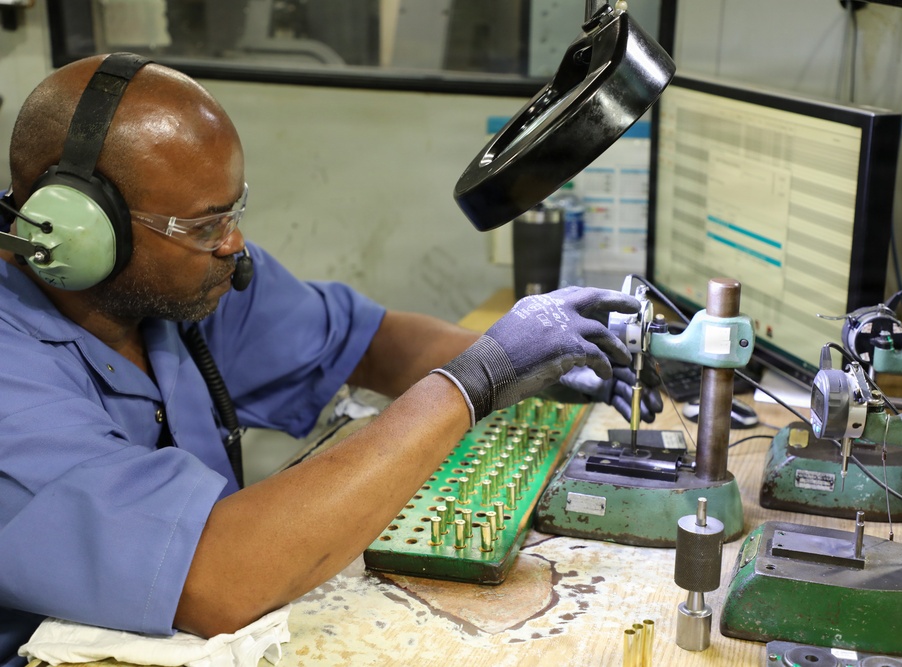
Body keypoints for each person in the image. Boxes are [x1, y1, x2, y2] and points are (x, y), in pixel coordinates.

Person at [0, 53, 662, 665]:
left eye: (235, 212)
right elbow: (212, 579)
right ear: (78, 235)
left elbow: (366, 341)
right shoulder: (12, 376)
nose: (234, 243)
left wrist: (529, 354)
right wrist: (476, 381)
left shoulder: (177, 290)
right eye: (205, 227)